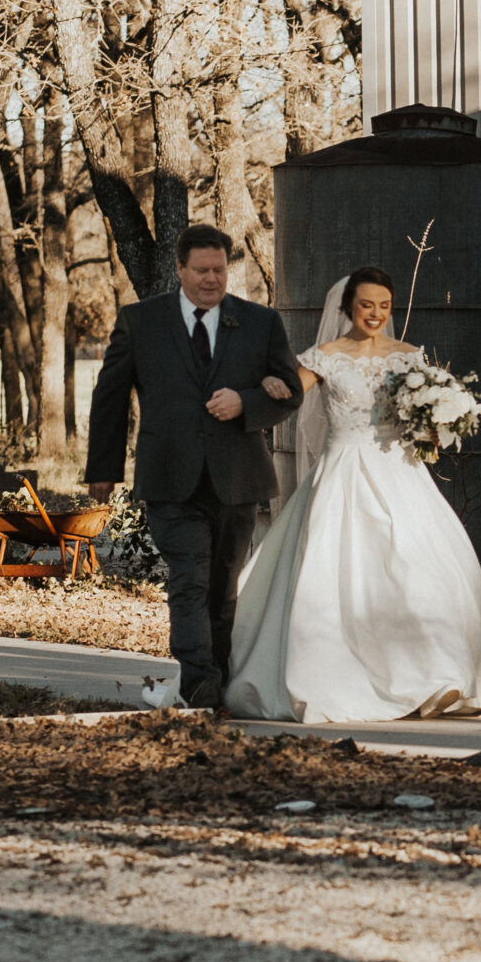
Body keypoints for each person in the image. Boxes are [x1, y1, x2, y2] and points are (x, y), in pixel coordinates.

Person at [223, 263, 481, 723]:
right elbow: (285, 395)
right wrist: (262, 385)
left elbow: (424, 431)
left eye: (384, 305)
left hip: (402, 473)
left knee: (419, 574)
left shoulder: (409, 357)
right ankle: (336, 678)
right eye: (366, 305)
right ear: (347, 308)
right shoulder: (324, 356)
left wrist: (439, 423)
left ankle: (435, 679)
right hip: (342, 473)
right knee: (333, 575)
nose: (376, 314)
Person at [85, 223, 301, 711]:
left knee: (224, 588)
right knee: (189, 579)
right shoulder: (140, 321)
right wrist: (104, 467)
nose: (211, 279)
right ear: (179, 269)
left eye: (219, 270)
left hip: (237, 478)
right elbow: (111, 397)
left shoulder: (260, 322)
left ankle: (220, 677)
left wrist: (246, 402)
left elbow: (291, 390)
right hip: (169, 476)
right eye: (200, 270)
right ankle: (199, 682)